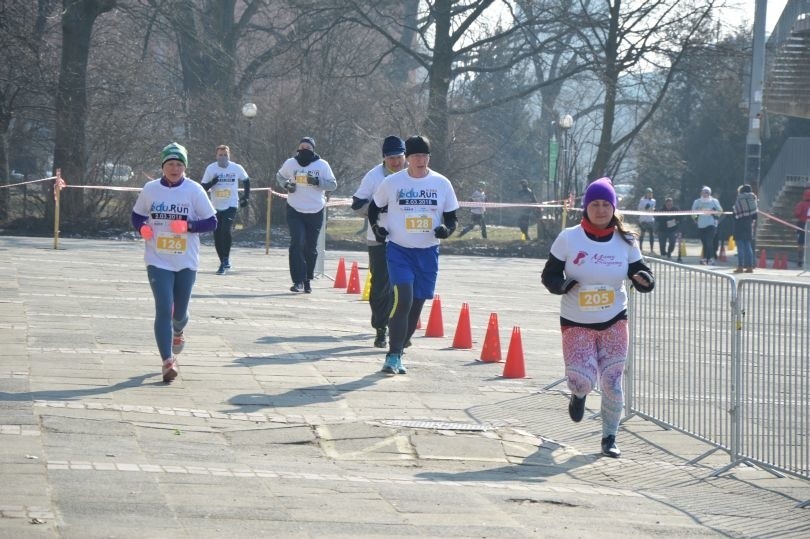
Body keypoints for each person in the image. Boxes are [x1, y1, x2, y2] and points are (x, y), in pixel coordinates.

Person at [541, 177, 655, 458]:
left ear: (614, 208)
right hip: (576, 322)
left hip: (614, 319)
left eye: (606, 204)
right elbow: (549, 275)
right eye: (595, 204)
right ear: (586, 207)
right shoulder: (569, 237)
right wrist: (562, 285)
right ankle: (578, 395)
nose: (601, 210)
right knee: (582, 380)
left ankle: (609, 437)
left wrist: (645, 280)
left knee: (612, 382)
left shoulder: (626, 240)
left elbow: (641, 271)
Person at [368, 135, 459, 375]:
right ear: (407, 158)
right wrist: (378, 229)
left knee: (417, 303)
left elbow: (451, 217)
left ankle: (400, 347)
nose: (421, 160)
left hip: (428, 252)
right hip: (399, 249)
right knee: (404, 299)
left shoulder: (442, 183)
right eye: (416, 156)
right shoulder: (393, 182)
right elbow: (374, 208)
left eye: (425, 156)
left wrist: (446, 230)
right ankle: (393, 355)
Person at [131, 142, 217, 383]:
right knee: (163, 308)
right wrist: (143, 228)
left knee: (179, 313)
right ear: (163, 166)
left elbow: (212, 222)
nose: (175, 168)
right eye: (170, 164)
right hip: (157, 259)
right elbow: (137, 215)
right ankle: (168, 361)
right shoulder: (150, 189)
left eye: (179, 164)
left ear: (185, 167)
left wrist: (189, 226)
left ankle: (178, 330)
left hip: (186, 261)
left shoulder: (194, 190)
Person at [351, 135, 406, 348]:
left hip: (406, 238)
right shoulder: (374, 177)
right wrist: (378, 209)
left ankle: (399, 328)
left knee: (403, 285)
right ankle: (380, 327)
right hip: (379, 237)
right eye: (391, 158)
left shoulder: (412, 174)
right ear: (384, 158)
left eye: (399, 157)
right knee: (381, 284)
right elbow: (356, 204)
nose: (396, 162)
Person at [276, 136, 337, 293]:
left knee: (310, 247)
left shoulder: (322, 165)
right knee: (297, 243)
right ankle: (297, 281)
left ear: (313, 150)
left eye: (307, 148)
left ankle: (307, 279)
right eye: (301, 147)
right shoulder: (291, 163)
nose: (304, 150)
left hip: (315, 210)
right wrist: (287, 185)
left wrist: (317, 182)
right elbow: (280, 176)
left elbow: (333, 184)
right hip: (295, 209)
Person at [200, 145, 250, 275]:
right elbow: (203, 188)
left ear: (229, 156)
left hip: (231, 204)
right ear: (216, 156)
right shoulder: (211, 168)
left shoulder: (236, 168)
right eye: (220, 155)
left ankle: (225, 260)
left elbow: (246, 180)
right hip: (215, 206)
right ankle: (222, 260)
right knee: (217, 235)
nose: (223, 157)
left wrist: (246, 197)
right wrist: (213, 183)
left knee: (225, 230)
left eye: (225, 155)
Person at [691, 186, 723, 265]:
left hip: (711, 224)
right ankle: (704, 258)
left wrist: (714, 214)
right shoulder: (697, 201)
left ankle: (712, 259)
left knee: (709, 242)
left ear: (709, 193)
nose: (705, 193)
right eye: (703, 192)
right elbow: (692, 212)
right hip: (701, 225)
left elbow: (720, 211)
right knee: (704, 242)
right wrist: (695, 219)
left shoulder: (714, 201)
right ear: (701, 193)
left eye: (706, 192)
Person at [732, 184, 758, 273]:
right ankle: (750, 267)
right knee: (748, 246)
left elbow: (735, 212)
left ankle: (740, 267)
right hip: (748, 224)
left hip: (739, 223)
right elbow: (755, 215)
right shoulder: (753, 199)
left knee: (740, 246)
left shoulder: (739, 198)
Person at [793, 187, 810, 268]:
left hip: (802, 224)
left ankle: (800, 260)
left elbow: (797, 214)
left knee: (800, 243)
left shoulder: (801, 204)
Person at [636, 187, 656, 253]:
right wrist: (645, 208)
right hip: (643, 219)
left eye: (651, 193)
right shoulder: (642, 200)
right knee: (642, 233)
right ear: (646, 193)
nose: (650, 194)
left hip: (650, 219)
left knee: (651, 235)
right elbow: (639, 209)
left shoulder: (654, 201)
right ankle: (640, 248)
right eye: (648, 193)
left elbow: (653, 209)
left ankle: (651, 249)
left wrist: (653, 210)